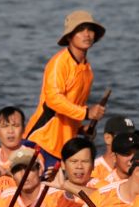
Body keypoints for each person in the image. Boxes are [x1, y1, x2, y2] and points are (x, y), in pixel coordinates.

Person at [23, 11, 106, 167]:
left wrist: (81, 128)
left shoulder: (87, 70)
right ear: (69, 36)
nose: (87, 34)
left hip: (65, 146)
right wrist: (87, 113)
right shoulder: (59, 63)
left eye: (90, 29)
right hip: (42, 141)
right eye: (81, 30)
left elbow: (72, 107)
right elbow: (54, 100)